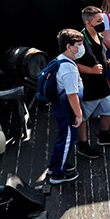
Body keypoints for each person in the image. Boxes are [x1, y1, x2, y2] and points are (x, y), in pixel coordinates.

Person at [74, 6, 110, 159]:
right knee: (83, 117)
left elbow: (100, 53)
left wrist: (107, 61)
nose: (103, 23)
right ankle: (82, 144)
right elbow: (72, 63)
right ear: (88, 23)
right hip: (89, 85)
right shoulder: (80, 41)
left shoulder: (99, 36)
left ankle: (104, 136)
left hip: (101, 84)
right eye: (99, 21)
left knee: (109, 108)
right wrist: (91, 70)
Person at [47, 29, 84, 184]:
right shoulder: (68, 69)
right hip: (67, 108)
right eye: (79, 44)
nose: (82, 47)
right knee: (68, 138)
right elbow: (71, 95)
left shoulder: (60, 60)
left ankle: (54, 164)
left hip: (60, 106)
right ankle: (57, 174)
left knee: (63, 136)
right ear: (69, 46)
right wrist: (79, 114)